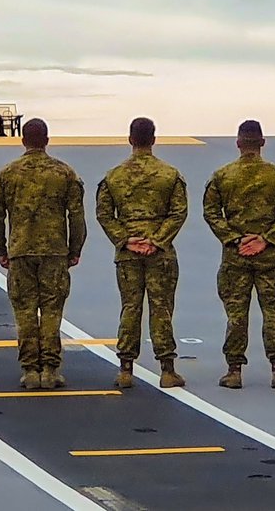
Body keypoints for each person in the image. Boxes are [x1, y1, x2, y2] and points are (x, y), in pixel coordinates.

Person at [0, 118, 86, 390]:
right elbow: (76, 216)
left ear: (22, 140)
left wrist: (0, 249)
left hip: (20, 252)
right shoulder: (64, 173)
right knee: (53, 310)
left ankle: (30, 369)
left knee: (25, 311)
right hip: (55, 252)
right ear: (47, 140)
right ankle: (50, 369)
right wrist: (74, 249)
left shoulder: (7, 174)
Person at [203, 119, 275, 389]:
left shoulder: (222, 176)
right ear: (262, 143)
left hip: (236, 257)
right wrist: (266, 240)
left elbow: (211, 213)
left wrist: (235, 239)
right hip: (269, 258)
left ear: (238, 143)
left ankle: (234, 370)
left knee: (236, 315)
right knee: (273, 314)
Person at [95, 117, 189, 389]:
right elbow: (178, 212)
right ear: (154, 139)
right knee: (161, 309)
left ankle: (125, 369)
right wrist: (157, 241)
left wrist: (126, 240)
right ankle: (167, 369)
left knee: (130, 308)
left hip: (128, 254)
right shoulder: (169, 174)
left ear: (130, 139)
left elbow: (103, 213)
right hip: (160, 255)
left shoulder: (114, 176)